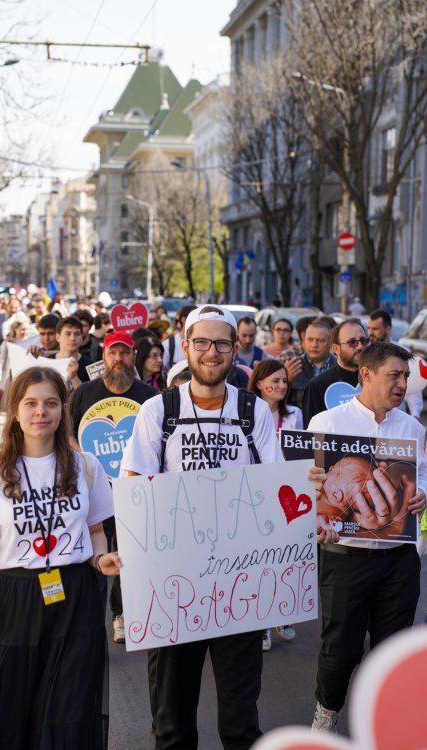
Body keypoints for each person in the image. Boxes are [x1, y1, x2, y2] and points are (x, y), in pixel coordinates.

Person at [120, 304, 311, 750]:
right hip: (172, 585)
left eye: (221, 343)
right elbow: (136, 491)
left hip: (238, 588)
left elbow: (276, 489)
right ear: (185, 347)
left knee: (241, 723)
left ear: (234, 349)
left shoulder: (254, 411)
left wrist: (307, 517)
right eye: (201, 343)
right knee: (172, 724)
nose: (211, 352)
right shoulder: (157, 411)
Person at [0, 366, 121, 748]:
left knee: (69, 716)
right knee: (13, 720)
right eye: (31, 403)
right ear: (15, 412)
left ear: (62, 409)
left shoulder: (87, 467)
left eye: (51, 403)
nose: (41, 412)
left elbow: (95, 534)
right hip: (13, 603)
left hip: (76, 600)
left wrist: (99, 560)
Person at [308, 343, 426, 733]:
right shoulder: (327, 423)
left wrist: (424, 492)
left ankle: (383, 718)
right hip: (345, 556)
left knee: (391, 649)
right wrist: (310, 487)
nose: (402, 384)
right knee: (340, 648)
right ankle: (327, 710)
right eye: (395, 375)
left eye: (406, 377)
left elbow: (423, 475)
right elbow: (294, 485)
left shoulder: (412, 428)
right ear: (367, 374)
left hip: (399, 558)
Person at [70, 331, 157, 644]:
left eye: (124, 353)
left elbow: (157, 441)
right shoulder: (83, 394)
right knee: (92, 551)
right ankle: (91, 617)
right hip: (92, 486)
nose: (118, 359)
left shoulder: (148, 396)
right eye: (112, 353)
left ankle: (121, 614)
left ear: (133, 356)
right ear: (103, 356)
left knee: (126, 552)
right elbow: (68, 434)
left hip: (132, 488)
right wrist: (89, 463)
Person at [247, 358, 303, 651]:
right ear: (258, 383)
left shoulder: (295, 414)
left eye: (284, 381)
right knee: (260, 560)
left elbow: (299, 454)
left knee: (285, 556)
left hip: (286, 495)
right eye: (275, 381)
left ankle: (283, 612)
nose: (281, 386)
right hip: (255, 495)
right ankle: (262, 625)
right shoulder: (247, 415)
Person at [302, 319, 368, 427]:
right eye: (352, 342)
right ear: (336, 348)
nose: (360, 346)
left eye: (363, 340)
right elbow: (311, 435)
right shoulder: (317, 385)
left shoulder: (376, 380)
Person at [367, 308, 423, 419]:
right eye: (369, 328)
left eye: (375, 329)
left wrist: (415, 414)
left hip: (395, 418)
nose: (370, 333)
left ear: (388, 329)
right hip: (367, 416)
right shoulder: (364, 352)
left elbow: (413, 387)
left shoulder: (402, 352)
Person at [289, 319, 336, 410]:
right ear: (303, 341)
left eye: (321, 340)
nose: (314, 345)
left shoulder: (340, 368)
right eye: (310, 339)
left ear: (330, 343)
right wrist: (286, 381)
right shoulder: (292, 367)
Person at [0, 317, 30, 414]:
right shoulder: (8, 343)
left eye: (26, 329)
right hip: (11, 378)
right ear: (15, 329)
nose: (24, 332)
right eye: (22, 329)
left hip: (26, 378)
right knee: (11, 409)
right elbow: (1, 361)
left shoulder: (31, 342)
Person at [51, 315, 93, 390]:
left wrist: (75, 379)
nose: (73, 338)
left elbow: (92, 399)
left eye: (77, 334)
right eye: (68, 334)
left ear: (81, 338)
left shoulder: (91, 366)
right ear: (58, 337)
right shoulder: (47, 363)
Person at [162, 304, 196, 370]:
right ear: (184, 320)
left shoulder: (204, 343)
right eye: (194, 318)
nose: (198, 322)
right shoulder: (168, 344)